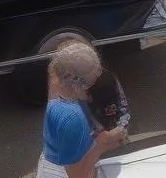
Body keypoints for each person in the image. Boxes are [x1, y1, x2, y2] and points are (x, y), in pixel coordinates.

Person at [36, 41, 125, 178]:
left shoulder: (56, 85)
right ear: (79, 84)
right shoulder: (73, 118)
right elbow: (76, 175)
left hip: (51, 159)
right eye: (92, 83)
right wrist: (102, 144)